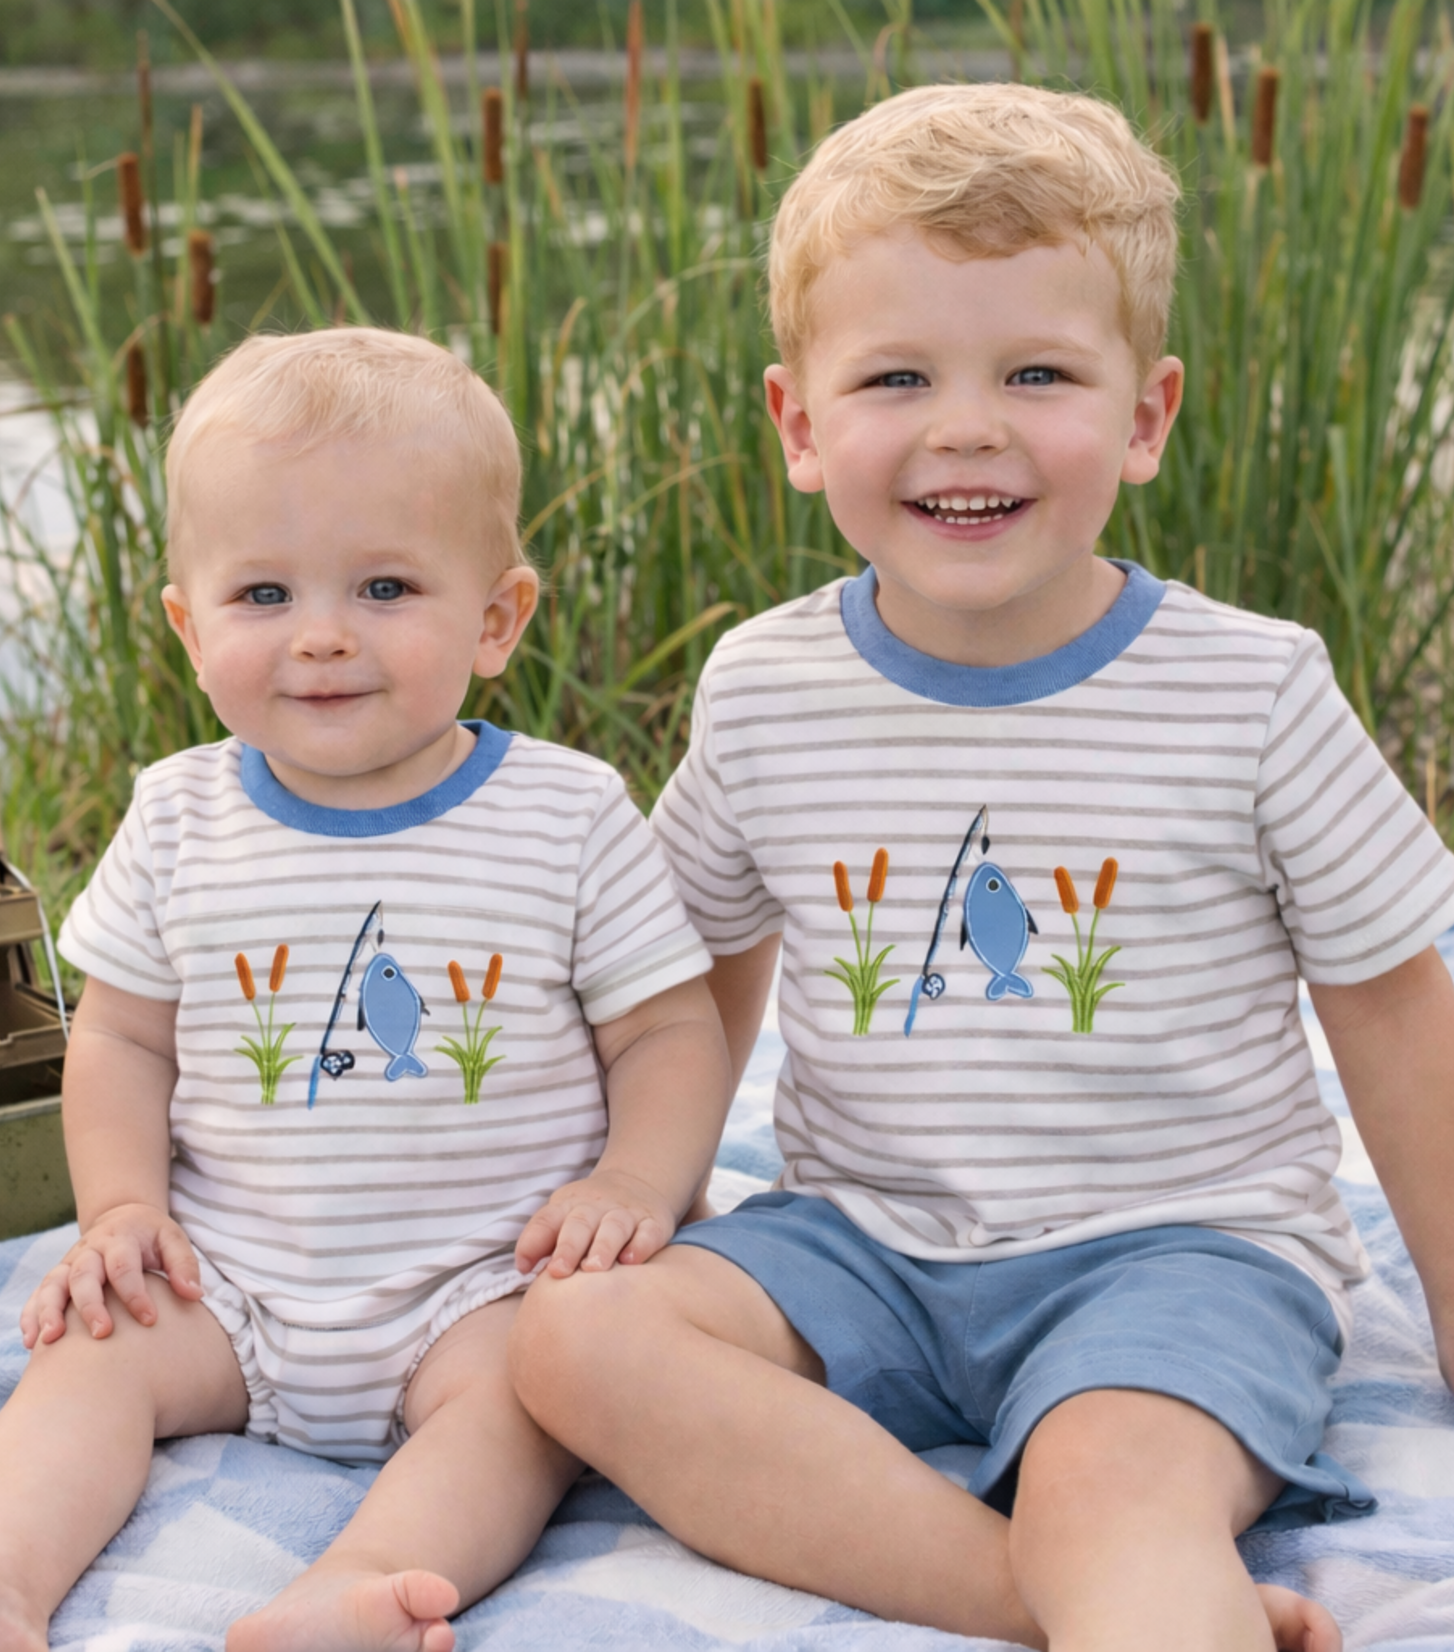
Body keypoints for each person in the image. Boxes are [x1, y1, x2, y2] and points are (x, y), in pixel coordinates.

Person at [510, 82, 1454, 1652]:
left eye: (1036, 372)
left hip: (1178, 1255)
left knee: (1109, 1488)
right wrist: (644, 1190)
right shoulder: (765, 684)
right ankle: (1022, 1600)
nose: (967, 426)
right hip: (860, 1243)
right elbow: (696, 976)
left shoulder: (1253, 689)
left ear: (1145, 416)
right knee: (576, 1340)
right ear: (801, 429)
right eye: (896, 376)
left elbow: (1394, 1008)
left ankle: (1122, 1585)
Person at [0, 327, 730, 1652]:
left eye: (386, 587)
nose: (322, 639)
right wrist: (120, 1209)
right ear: (188, 627)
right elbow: (121, 1039)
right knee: (86, 1362)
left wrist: (636, 1184)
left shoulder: (566, 814)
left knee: (529, 1414)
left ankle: (348, 1594)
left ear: (495, 619)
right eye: (263, 598)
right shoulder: (178, 816)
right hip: (228, 1283)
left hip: (479, 1287)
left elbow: (668, 1034)